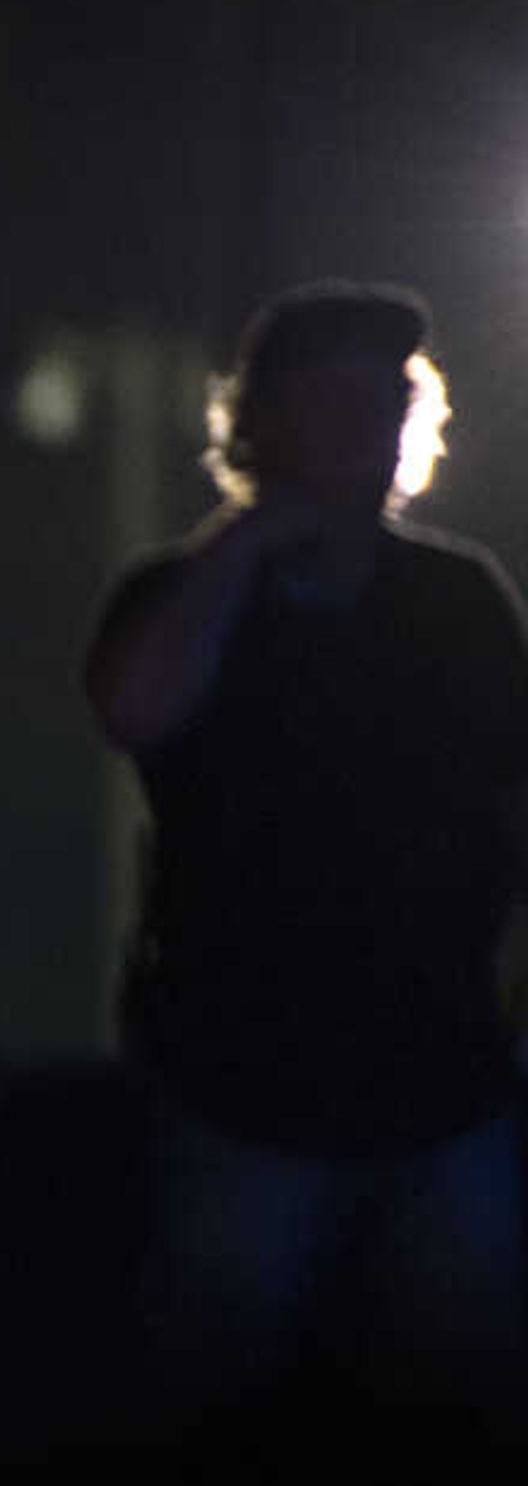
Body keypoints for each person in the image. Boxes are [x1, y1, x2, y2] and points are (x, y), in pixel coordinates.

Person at [82, 282, 528, 1385]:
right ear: (265, 423)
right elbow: (134, 708)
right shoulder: (183, 592)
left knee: (456, 1402)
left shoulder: (456, 598)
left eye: (384, 408)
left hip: (440, 1077)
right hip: (242, 1081)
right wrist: (245, 547)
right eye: (334, 409)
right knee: (213, 1397)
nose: (366, 436)